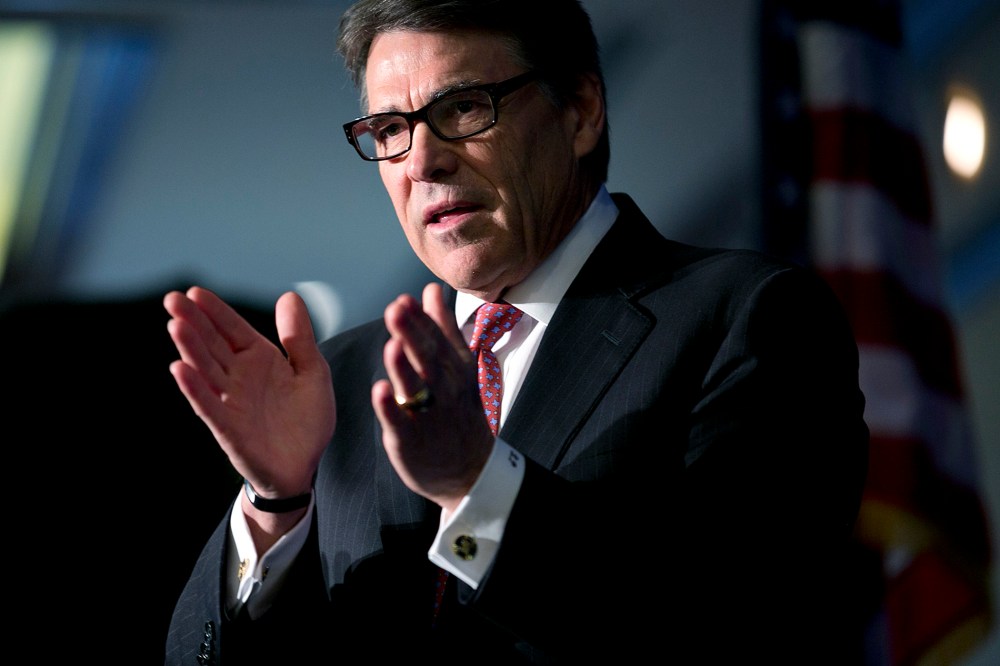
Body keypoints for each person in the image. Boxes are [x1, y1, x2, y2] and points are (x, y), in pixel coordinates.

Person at [163, 0, 869, 663]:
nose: (422, 162)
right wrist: (276, 503)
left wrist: (475, 485)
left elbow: (734, 621)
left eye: (464, 107)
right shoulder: (338, 378)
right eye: (391, 130)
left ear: (581, 110)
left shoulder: (750, 318)